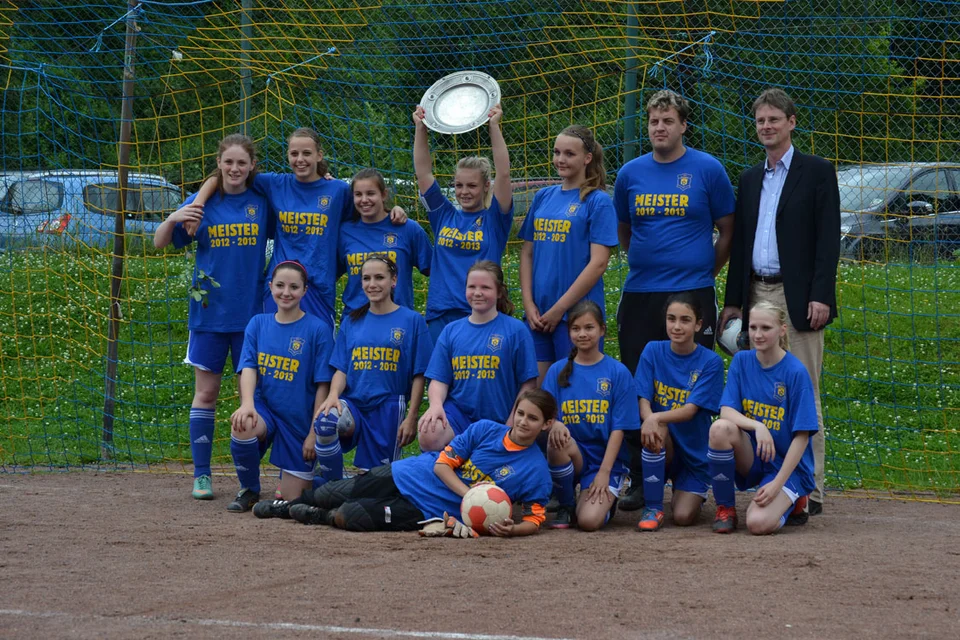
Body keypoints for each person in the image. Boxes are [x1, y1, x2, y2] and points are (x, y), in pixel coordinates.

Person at [719, 87, 840, 517]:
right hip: (756, 292)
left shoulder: (818, 171)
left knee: (804, 389)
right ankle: (765, 477)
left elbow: (828, 240)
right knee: (758, 392)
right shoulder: (751, 178)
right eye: (760, 121)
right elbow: (740, 244)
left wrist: (821, 294)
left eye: (774, 119)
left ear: (791, 122)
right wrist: (734, 303)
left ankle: (812, 488)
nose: (766, 127)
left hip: (800, 294)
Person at [613, 89, 736, 512]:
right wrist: (648, 263)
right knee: (635, 383)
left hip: (692, 291)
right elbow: (625, 231)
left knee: (691, 387)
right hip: (641, 292)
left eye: (668, 121)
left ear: (684, 125)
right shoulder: (630, 173)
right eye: (653, 122)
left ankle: (692, 473)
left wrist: (702, 273)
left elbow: (727, 231)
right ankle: (638, 474)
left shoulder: (707, 169)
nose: (659, 128)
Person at [190, 128, 406, 334]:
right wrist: (198, 203)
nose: (300, 159)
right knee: (274, 355)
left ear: (319, 155)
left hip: (318, 288)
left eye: (307, 153)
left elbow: (364, 215)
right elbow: (228, 173)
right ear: (287, 155)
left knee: (316, 359)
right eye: (294, 153)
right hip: (279, 286)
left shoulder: (338, 190)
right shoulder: (274, 184)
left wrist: (392, 211)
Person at [153, 133, 270, 500]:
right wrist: (174, 215)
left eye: (241, 162)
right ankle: (202, 476)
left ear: (252, 166)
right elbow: (159, 242)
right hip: (208, 317)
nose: (235, 168)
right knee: (205, 394)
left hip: (252, 318)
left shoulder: (263, 202)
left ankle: (246, 478)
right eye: (228, 162)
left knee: (250, 398)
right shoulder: (202, 205)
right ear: (219, 165)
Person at [277, 389, 555, 537]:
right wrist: (471, 495)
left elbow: (534, 519)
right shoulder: (485, 429)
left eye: (532, 418)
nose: (522, 422)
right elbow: (442, 465)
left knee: (348, 515)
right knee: (330, 492)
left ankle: (318, 516)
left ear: (546, 424)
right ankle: (286, 508)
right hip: (410, 474)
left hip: (427, 509)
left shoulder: (537, 472)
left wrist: (514, 530)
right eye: (520, 413)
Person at [310, 255, 432, 481]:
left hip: (388, 406)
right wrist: (333, 396)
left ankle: (354, 488)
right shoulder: (352, 320)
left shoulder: (412, 321)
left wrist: (412, 416)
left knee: (376, 482)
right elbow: (341, 369)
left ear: (393, 280)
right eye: (366, 278)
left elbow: (419, 375)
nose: (372, 284)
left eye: (379, 277)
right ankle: (333, 486)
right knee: (326, 421)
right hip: (355, 403)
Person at [226, 261, 334, 512]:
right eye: (280, 285)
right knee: (243, 425)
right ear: (270, 287)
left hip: (298, 422)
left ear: (305, 291)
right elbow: (249, 367)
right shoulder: (258, 323)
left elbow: (322, 385)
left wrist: (312, 433)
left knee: (292, 500)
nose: (286, 292)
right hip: (266, 409)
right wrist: (248, 404)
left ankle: (321, 479)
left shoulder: (318, 329)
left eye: (294, 287)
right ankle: (249, 488)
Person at [708, 301, 819, 534]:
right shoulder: (742, 360)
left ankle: (796, 500)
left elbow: (802, 437)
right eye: (753, 327)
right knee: (719, 429)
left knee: (757, 524)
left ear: (782, 330)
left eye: (766, 328)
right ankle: (725, 509)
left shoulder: (795, 372)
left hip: (788, 466)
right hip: (757, 455)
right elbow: (726, 411)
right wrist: (758, 426)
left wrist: (777, 484)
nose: (758, 335)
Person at [518, 125, 619, 384]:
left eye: (569, 154)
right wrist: (529, 304)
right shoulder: (543, 197)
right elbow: (527, 253)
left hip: (575, 318)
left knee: (573, 393)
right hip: (538, 316)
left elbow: (598, 263)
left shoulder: (598, 201)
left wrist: (559, 309)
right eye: (556, 152)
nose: (561, 159)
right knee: (536, 397)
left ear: (587, 158)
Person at [413, 103, 514, 344]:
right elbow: (424, 173)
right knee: (441, 379)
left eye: (472, 186)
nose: (464, 192)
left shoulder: (495, 220)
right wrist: (421, 128)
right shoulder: (443, 214)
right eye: (459, 185)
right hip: (441, 313)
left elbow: (504, 174)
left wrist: (494, 127)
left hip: (480, 313)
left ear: (486, 187)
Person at [540, 300, 641, 531]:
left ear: (602, 330)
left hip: (605, 459)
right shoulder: (557, 370)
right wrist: (554, 422)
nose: (582, 334)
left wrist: (604, 473)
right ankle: (565, 503)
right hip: (573, 452)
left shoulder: (617, 372)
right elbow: (543, 412)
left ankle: (603, 501)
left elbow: (619, 429)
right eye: (576, 329)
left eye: (589, 328)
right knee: (557, 440)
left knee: (588, 522)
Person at [418, 260, 538, 451]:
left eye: (485, 287)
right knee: (429, 432)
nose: (478, 292)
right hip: (459, 414)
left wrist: (513, 419)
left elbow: (529, 383)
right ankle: (441, 475)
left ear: (499, 292)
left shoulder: (516, 331)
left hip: (499, 417)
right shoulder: (451, 331)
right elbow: (439, 380)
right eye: (472, 286)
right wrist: (435, 405)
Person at [632, 293, 724, 531]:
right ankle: (653, 506)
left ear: (698, 324)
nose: (676, 326)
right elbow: (643, 398)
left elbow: (690, 410)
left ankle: (686, 491)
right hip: (663, 441)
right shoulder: (652, 350)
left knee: (683, 517)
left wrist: (654, 417)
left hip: (694, 455)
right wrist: (651, 419)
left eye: (685, 320)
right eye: (671, 319)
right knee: (658, 428)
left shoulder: (710, 361)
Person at [338, 168, 432, 316]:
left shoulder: (407, 229)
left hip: (398, 322)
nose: (364, 200)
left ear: (384, 194)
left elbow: (435, 270)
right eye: (358, 194)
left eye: (370, 193)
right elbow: (328, 272)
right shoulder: (343, 232)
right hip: (355, 321)